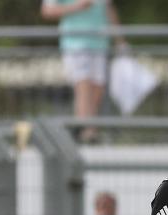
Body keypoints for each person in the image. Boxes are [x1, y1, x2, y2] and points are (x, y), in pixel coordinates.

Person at [40, 0, 125, 143]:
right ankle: (88, 132)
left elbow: (109, 9)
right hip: (75, 43)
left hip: (99, 43)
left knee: (97, 89)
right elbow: (47, 11)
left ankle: (85, 130)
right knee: (83, 85)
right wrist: (77, 6)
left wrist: (120, 41)